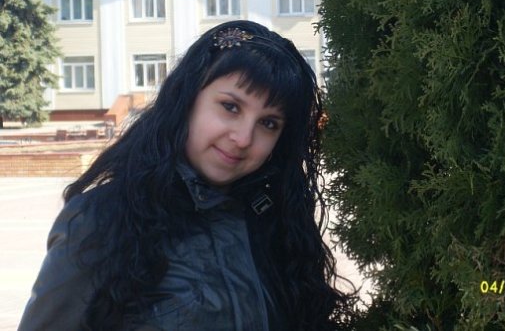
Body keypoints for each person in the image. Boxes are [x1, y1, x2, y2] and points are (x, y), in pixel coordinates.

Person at [18, 20, 354, 331]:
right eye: (231, 107)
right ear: (188, 99)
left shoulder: (277, 223)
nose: (243, 138)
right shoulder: (100, 220)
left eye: (268, 123)